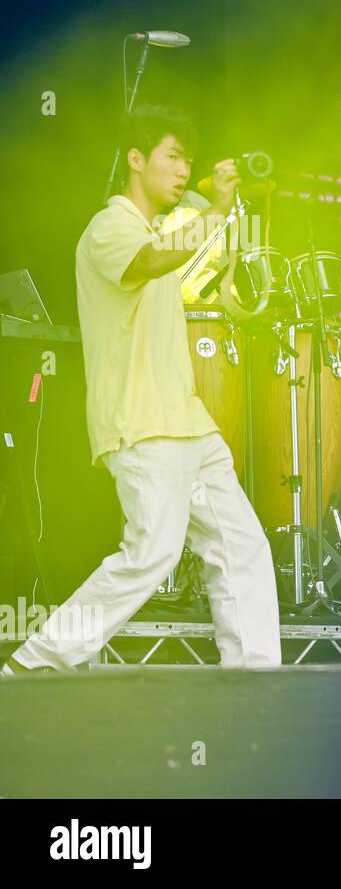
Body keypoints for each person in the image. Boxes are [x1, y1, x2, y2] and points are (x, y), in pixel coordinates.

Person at [2, 105, 281, 675]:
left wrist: (230, 212)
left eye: (189, 161)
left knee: (241, 545)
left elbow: (223, 293)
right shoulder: (110, 227)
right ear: (136, 159)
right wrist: (217, 209)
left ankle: (255, 679)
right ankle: (35, 665)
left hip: (188, 424)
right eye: (172, 156)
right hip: (142, 424)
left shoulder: (165, 231)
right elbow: (149, 262)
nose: (183, 171)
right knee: (149, 556)